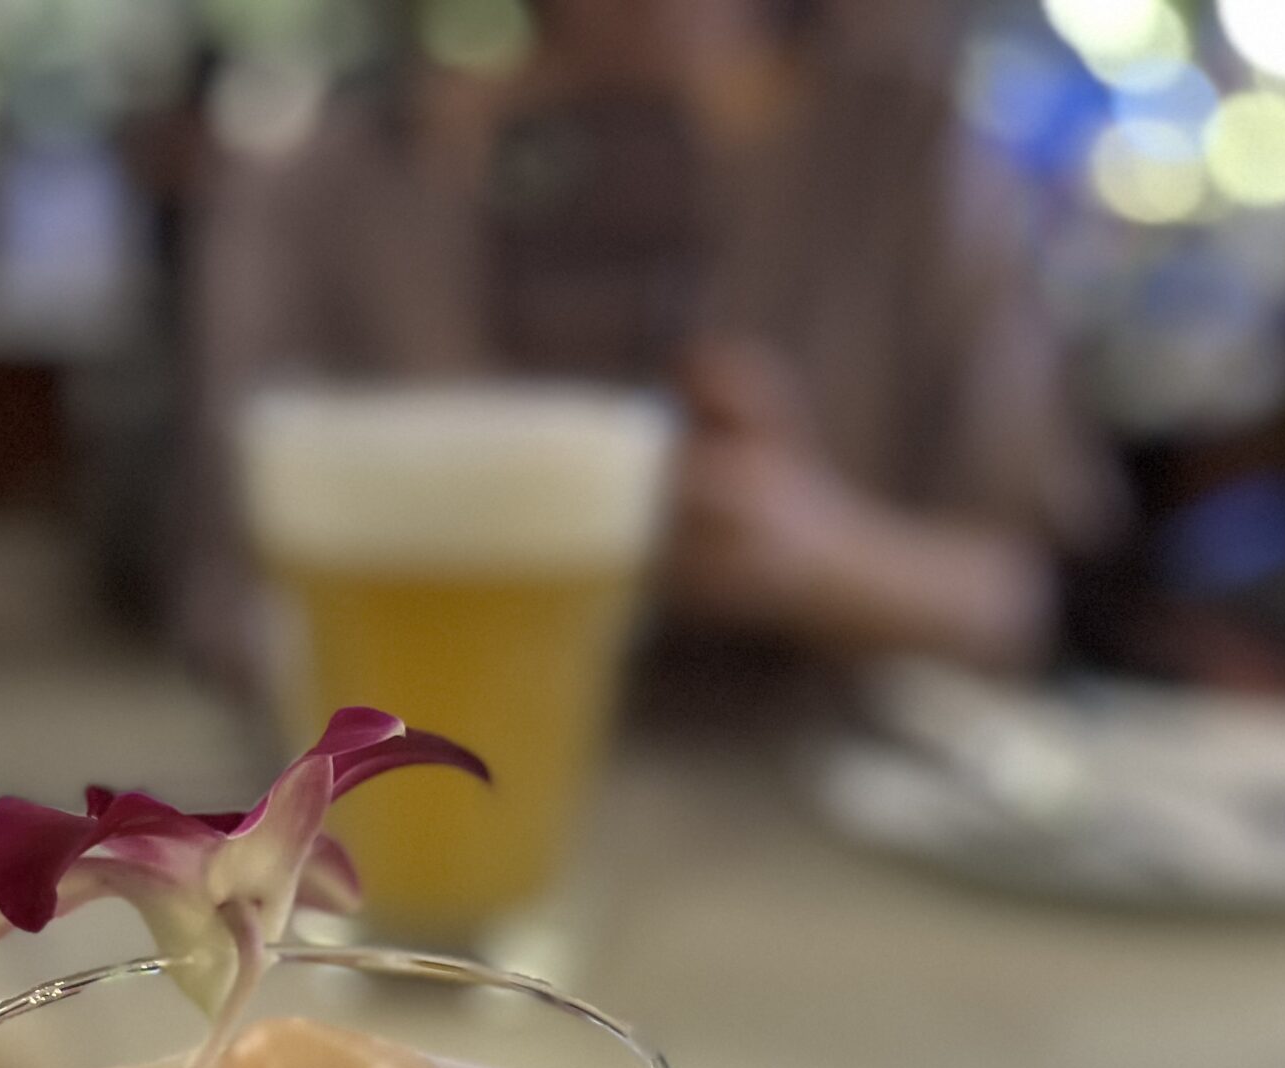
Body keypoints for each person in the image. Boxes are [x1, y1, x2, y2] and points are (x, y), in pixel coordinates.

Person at [178, 0, 1117, 692]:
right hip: (422, 811)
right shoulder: (330, 189)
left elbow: (1021, 601)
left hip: (816, 835)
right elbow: (228, 602)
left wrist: (815, 551)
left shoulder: (916, 158)